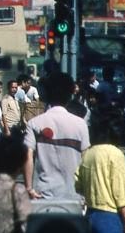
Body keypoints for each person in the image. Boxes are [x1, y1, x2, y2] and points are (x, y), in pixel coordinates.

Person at [23, 71, 89, 200]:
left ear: (47, 94)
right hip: (74, 192)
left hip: (42, 192)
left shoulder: (34, 123)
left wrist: (29, 188)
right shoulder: (81, 124)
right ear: (70, 95)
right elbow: (86, 160)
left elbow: (28, 156)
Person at [75, 115, 125, 233]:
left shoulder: (88, 154)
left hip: (90, 215)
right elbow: (119, 192)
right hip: (110, 217)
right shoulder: (115, 154)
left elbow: (77, 183)